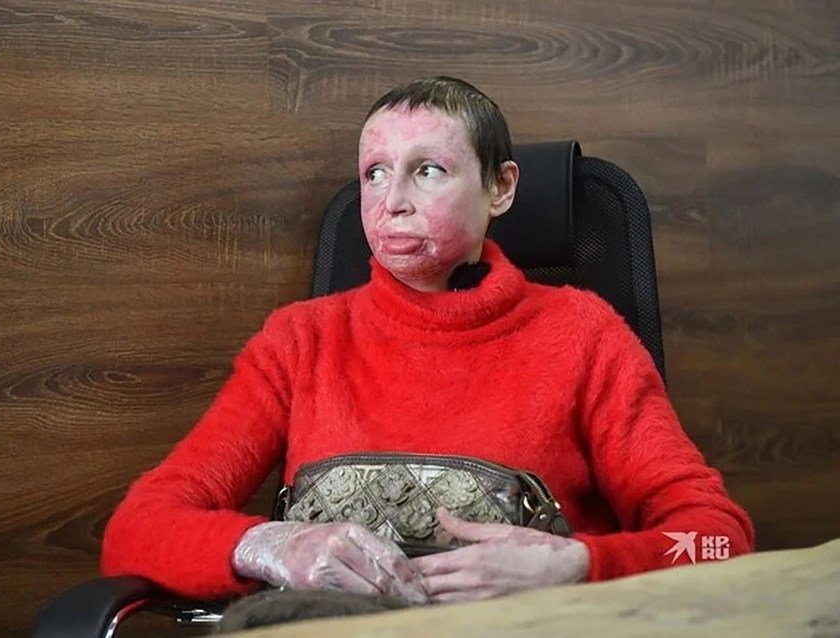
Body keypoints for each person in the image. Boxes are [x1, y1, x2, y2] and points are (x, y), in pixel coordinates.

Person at [100, 76, 755, 606]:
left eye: (429, 169)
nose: (391, 202)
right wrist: (276, 547)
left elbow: (721, 542)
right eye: (375, 173)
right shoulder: (301, 341)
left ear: (500, 187)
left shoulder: (585, 335)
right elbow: (136, 530)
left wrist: (582, 563)